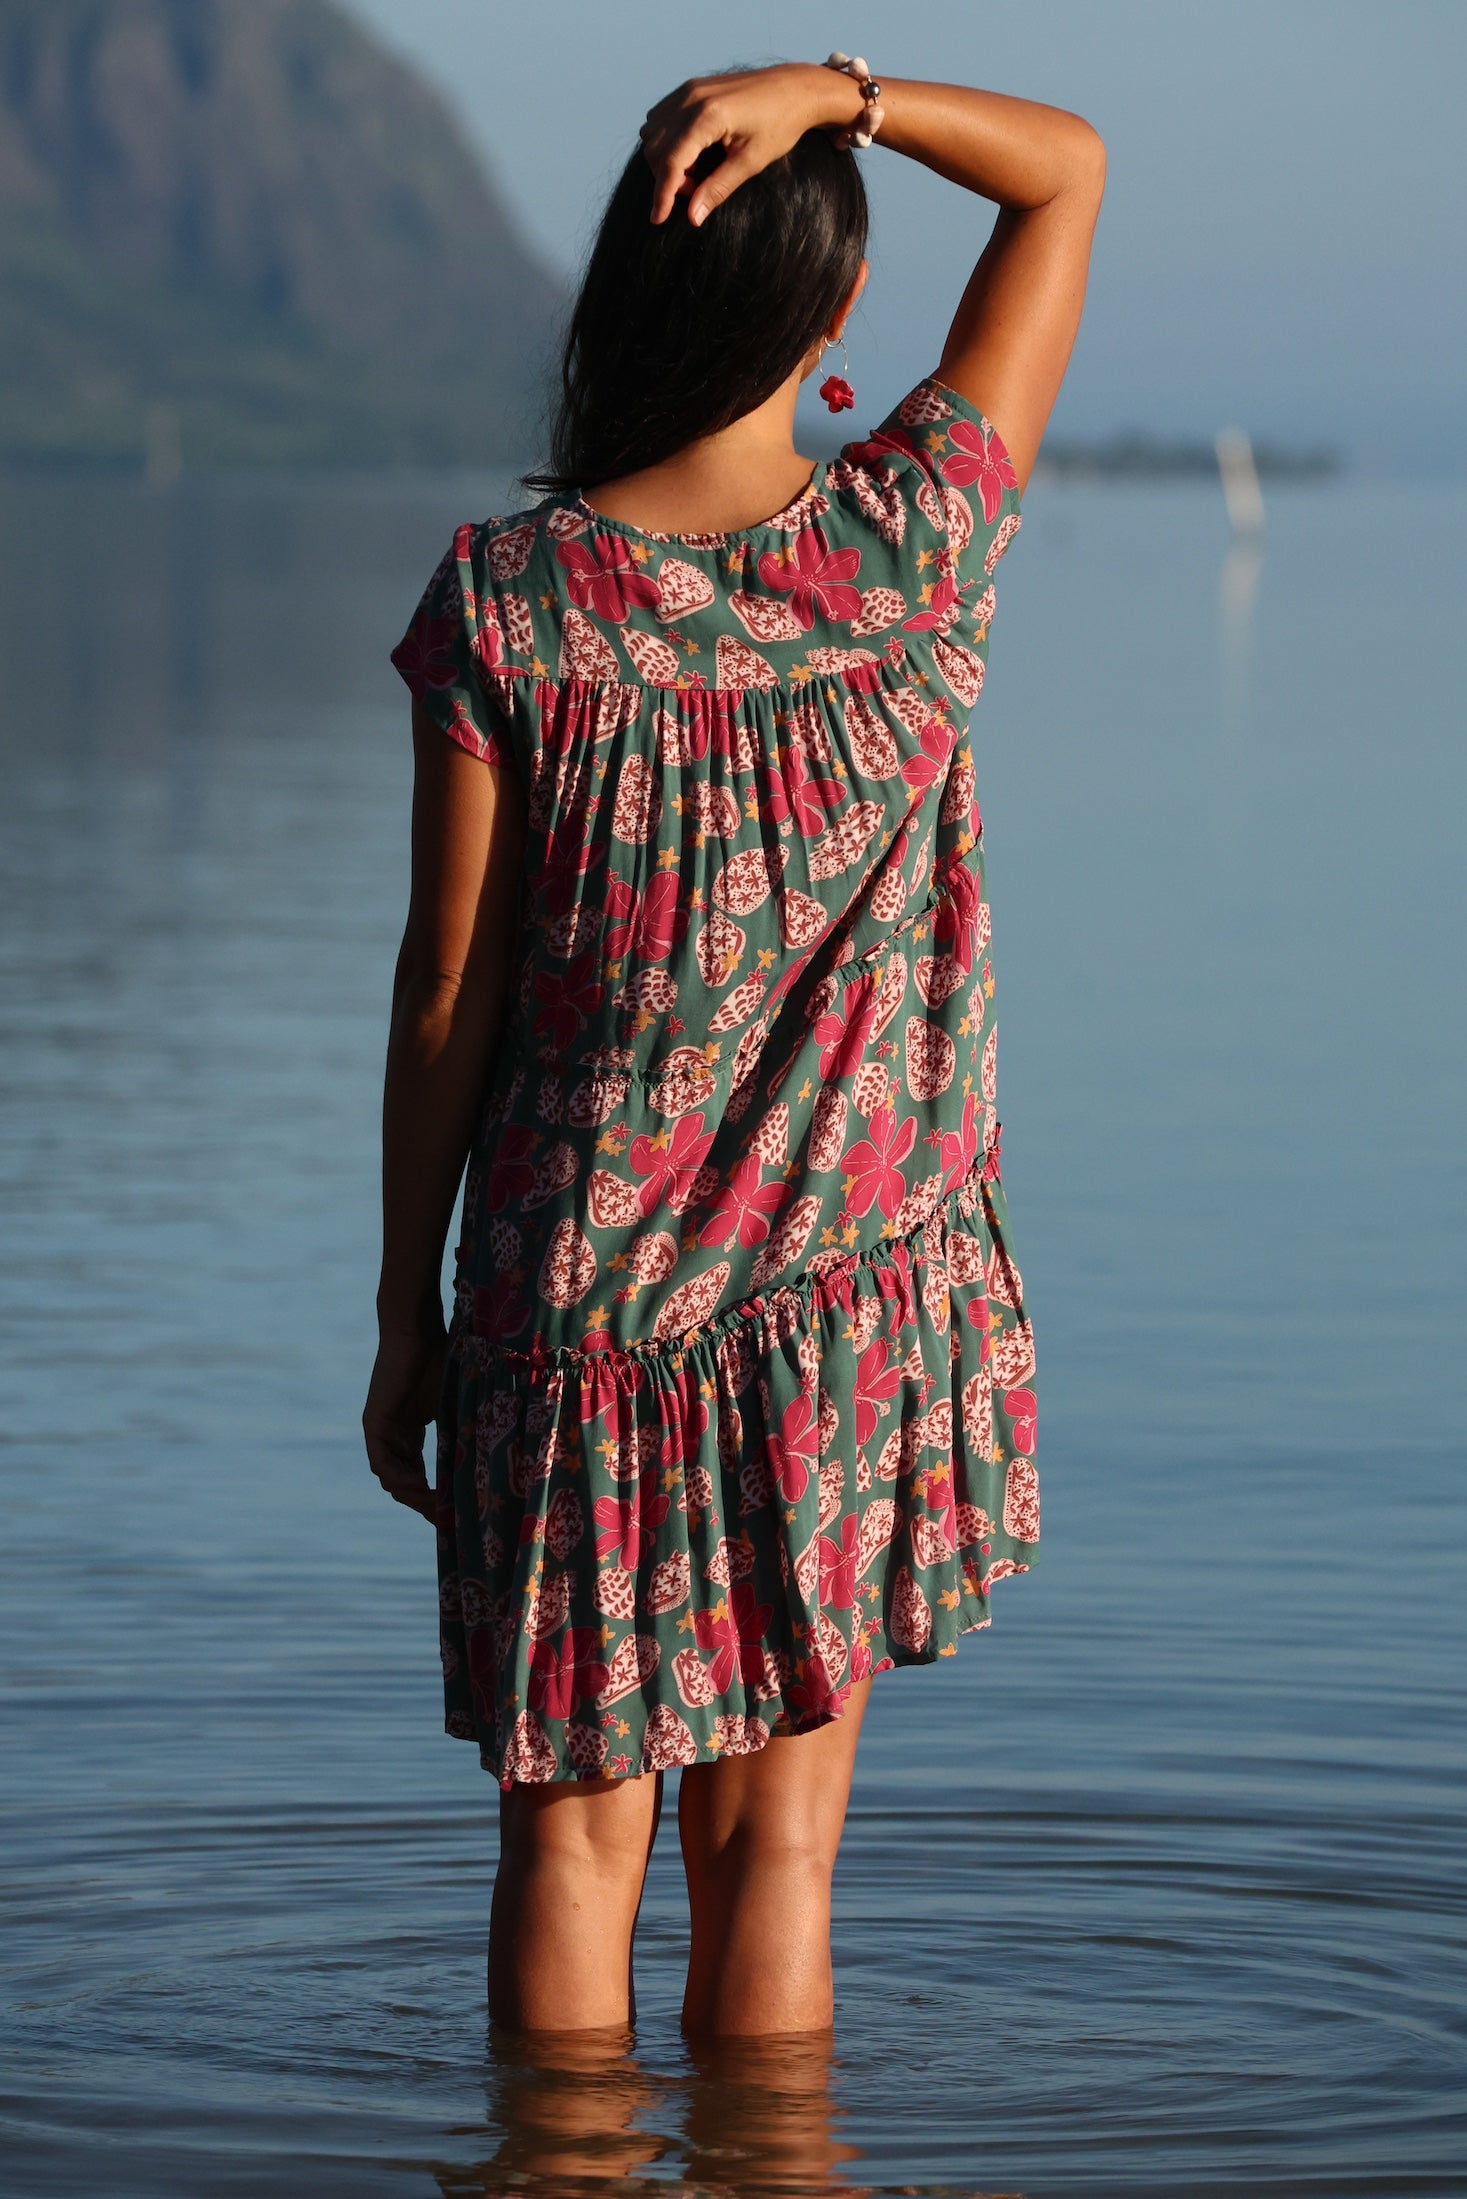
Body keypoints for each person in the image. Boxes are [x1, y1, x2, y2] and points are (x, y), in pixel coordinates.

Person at [365, 58, 1104, 2039]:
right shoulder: (907, 553)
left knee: (568, 1854)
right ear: (834, 318)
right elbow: (1064, 177)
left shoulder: (508, 606)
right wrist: (845, 95)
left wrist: (400, 1311)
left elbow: (447, 986)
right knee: (771, 1859)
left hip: (570, 1318)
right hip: (835, 1316)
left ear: (623, 291)